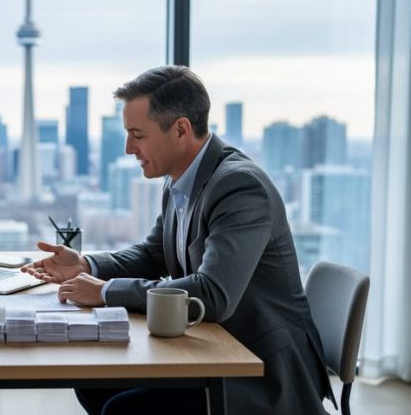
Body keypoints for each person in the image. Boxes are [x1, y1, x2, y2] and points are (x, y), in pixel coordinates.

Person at [22, 66, 334, 414]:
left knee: (123, 409)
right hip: (209, 348)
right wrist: (86, 265)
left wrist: (106, 292)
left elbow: (213, 294)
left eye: (138, 135)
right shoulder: (181, 180)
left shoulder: (239, 187)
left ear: (181, 129)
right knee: (93, 385)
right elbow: (154, 253)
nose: (128, 148)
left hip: (258, 369)